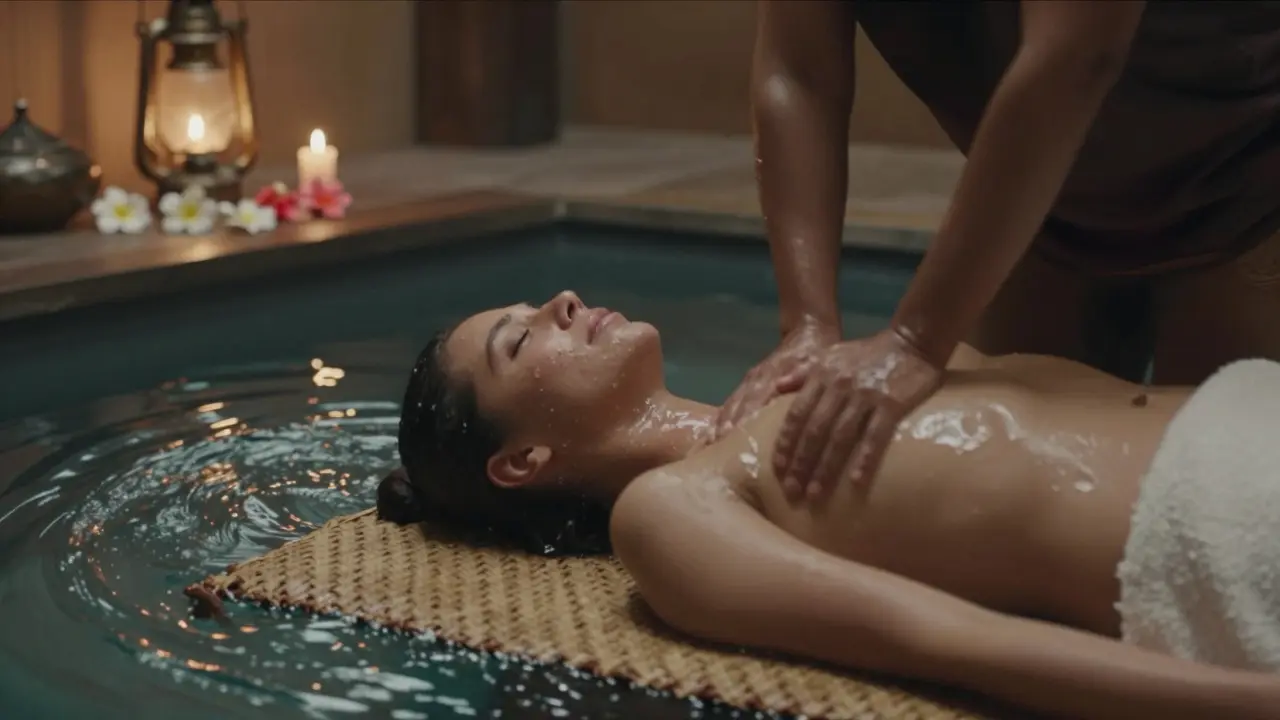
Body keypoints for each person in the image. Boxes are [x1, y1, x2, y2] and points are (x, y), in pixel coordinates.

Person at [379, 291, 1280, 720]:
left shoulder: (838, 366)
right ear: (522, 461)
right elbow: (952, 643)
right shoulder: (672, 509)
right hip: (1233, 533)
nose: (561, 302)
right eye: (520, 338)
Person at [718, 0, 1280, 503]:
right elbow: (799, 74)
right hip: (1048, 211)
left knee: (1218, 504)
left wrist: (915, 339)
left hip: (1250, 182)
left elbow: (1075, 58)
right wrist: (808, 324)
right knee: (964, 481)